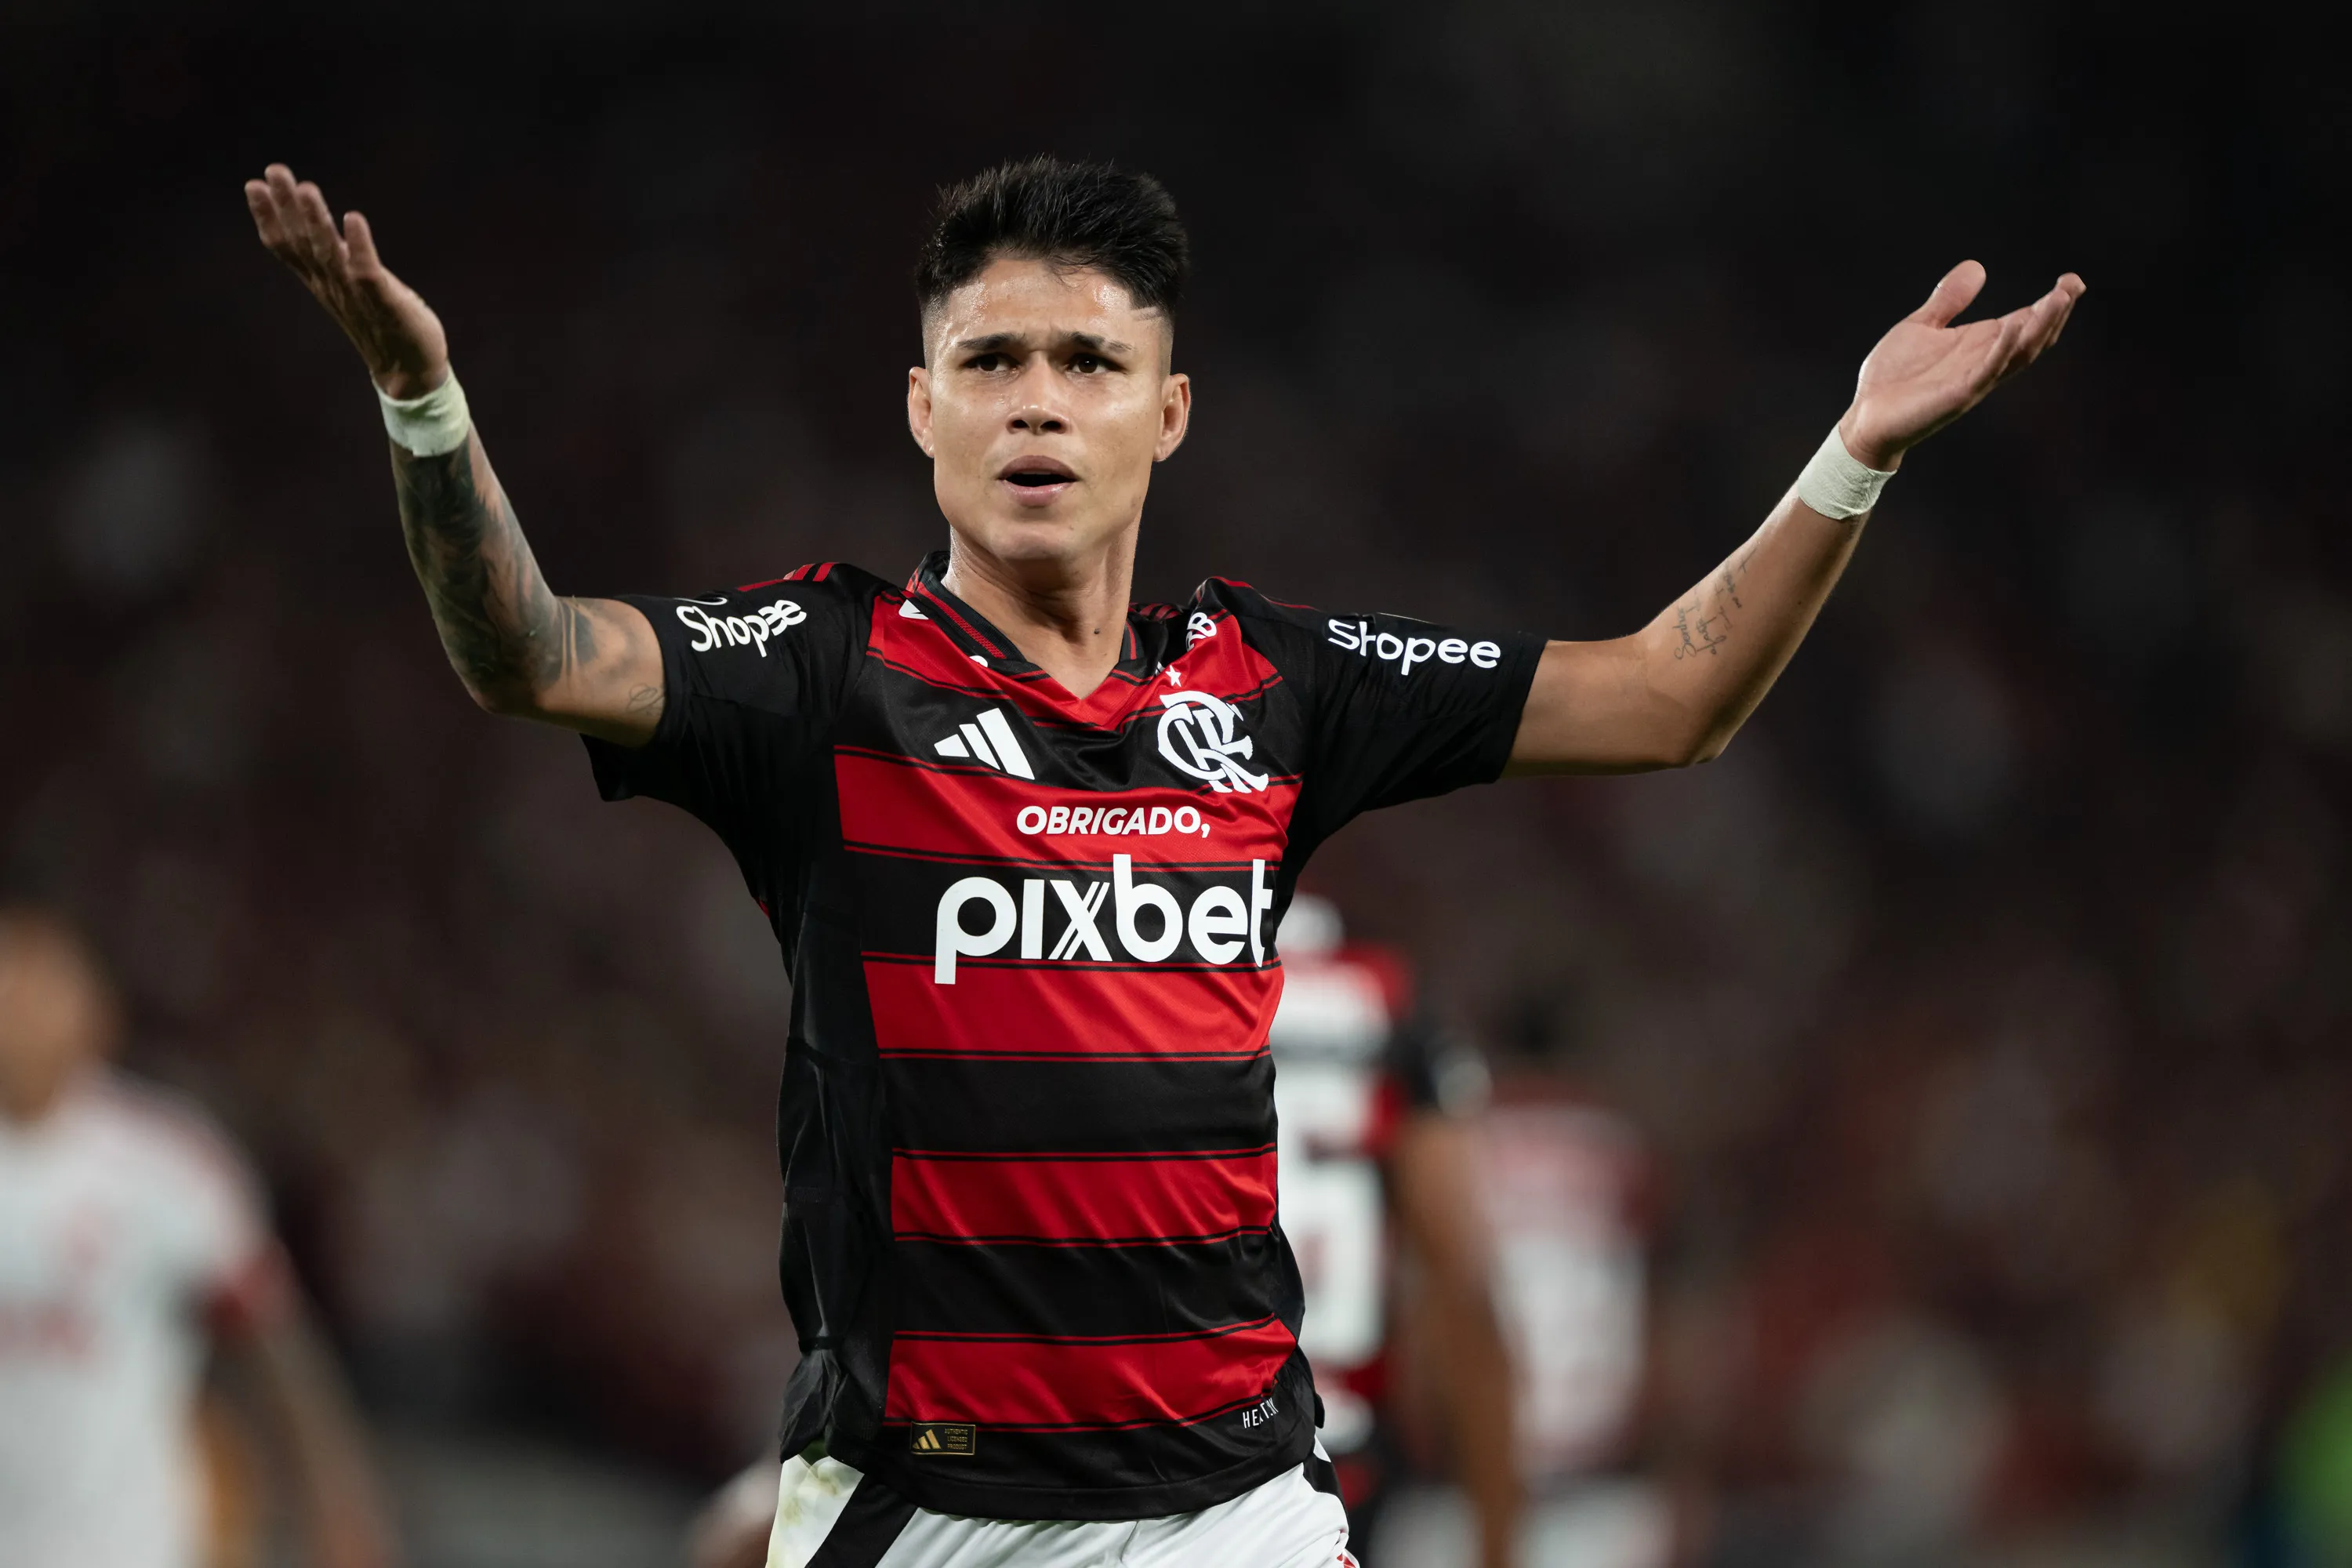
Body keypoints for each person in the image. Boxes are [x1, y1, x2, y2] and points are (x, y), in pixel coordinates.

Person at [243, 153, 2080, 1566]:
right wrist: (425, 405)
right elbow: (528, 654)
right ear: (923, 407)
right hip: (926, 1507)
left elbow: (1667, 695)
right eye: (992, 359)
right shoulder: (819, 672)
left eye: (1089, 360)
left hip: (1235, 1507)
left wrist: (1851, 452)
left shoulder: (1272, 684)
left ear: (1168, 410)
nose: (1037, 400)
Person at [0, 908, 396, 1568]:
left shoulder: (165, 1165)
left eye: (41, 993)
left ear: (96, 1016)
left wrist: (336, 1502)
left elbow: (270, 1338)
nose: (21, 1014)